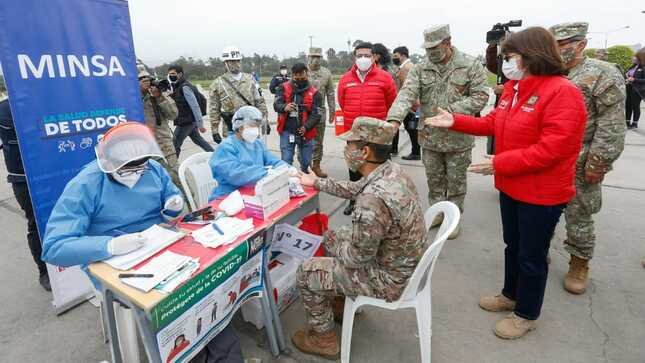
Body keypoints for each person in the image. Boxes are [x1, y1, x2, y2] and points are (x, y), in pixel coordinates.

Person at [426, 27, 587, 339]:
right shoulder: (515, 88)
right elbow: (493, 123)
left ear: (531, 55)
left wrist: (499, 162)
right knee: (513, 247)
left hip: (542, 194)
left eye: (509, 57)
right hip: (512, 186)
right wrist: (456, 121)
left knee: (532, 255)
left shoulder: (561, 92)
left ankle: (526, 313)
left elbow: (552, 149)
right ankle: (510, 295)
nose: (505, 63)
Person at [291, 117, 426, 359]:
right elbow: (356, 188)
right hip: (402, 262)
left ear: (364, 151)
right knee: (333, 236)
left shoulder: (372, 202)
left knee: (307, 270)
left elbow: (357, 258)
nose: (345, 150)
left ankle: (323, 339)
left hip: (390, 279)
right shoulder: (390, 171)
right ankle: (340, 303)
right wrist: (317, 182)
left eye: (349, 146)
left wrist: (334, 243)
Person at [386, 24, 489, 239]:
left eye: (435, 47)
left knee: (456, 182)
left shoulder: (470, 65)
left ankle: (454, 219)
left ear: (448, 43)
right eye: (427, 48)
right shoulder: (421, 68)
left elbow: (480, 97)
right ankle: (438, 213)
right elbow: (406, 94)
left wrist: (451, 112)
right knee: (434, 181)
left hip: (458, 138)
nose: (430, 52)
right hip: (430, 138)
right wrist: (394, 119)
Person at [41, 122, 184, 272]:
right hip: (113, 260)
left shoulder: (153, 168)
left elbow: (171, 199)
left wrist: (174, 203)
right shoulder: (85, 184)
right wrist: (109, 246)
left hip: (158, 243)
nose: (134, 176)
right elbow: (54, 247)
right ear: (108, 162)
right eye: (126, 171)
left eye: (140, 169)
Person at [549, 22, 627, 294]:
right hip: (546, 157)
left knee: (579, 213)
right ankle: (539, 250)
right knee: (540, 211)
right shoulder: (547, 72)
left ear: (581, 44)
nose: (557, 50)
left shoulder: (602, 73)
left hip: (580, 158)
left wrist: (598, 161)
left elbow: (612, 124)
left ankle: (579, 262)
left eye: (563, 44)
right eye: (554, 44)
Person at [337, 42, 397, 215]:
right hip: (354, 134)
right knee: (354, 168)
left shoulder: (385, 78)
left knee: (378, 168)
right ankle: (354, 200)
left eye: (367, 55)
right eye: (359, 55)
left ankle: (380, 202)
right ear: (354, 57)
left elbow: (391, 102)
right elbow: (342, 101)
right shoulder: (345, 79)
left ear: (373, 57)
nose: (363, 59)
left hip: (376, 134)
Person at [0, 98, 50, 291]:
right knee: (36, 225)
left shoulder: (46, 100)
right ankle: (44, 271)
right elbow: (32, 130)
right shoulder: (5, 109)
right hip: (24, 180)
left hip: (55, 173)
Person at [209, 106, 287, 200]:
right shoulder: (226, 147)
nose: (256, 130)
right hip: (228, 197)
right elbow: (236, 173)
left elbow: (272, 160)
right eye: (252, 126)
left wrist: (287, 169)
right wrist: (267, 173)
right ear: (239, 126)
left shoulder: (257, 144)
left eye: (257, 126)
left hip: (252, 193)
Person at [209, 46, 268, 144]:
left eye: (238, 61)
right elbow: (214, 109)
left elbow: (259, 101)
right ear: (225, 63)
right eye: (232, 61)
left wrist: (264, 121)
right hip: (230, 129)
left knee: (253, 154)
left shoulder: (251, 79)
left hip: (251, 126)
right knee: (234, 156)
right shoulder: (217, 84)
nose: (235, 64)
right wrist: (214, 130)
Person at [137, 66, 182, 189]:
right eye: (141, 79)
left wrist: (159, 97)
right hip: (142, 147)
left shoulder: (157, 93)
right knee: (153, 182)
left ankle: (190, 202)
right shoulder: (131, 97)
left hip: (163, 144)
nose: (146, 82)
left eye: (147, 78)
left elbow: (173, 114)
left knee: (176, 177)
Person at [274, 62, 322, 172]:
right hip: (287, 131)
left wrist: (306, 127)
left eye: (301, 74)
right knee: (286, 160)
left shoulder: (315, 93)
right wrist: (284, 107)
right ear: (292, 74)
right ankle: (287, 180)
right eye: (296, 74)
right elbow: (276, 105)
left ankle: (305, 177)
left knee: (306, 162)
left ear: (307, 73)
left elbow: (317, 114)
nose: (298, 77)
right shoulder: (283, 88)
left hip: (306, 132)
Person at [168, 65, 214, 156]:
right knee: (200, 141)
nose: (170, 76)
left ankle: (173, 168)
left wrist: (200, 123)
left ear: (180, 74)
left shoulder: (185, 87)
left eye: (173, 73)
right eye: (169, 74)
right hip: (190, 121)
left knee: (175, 144)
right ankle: (217, 156)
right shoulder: (179, 86)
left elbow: (195, 106)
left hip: (186, 122)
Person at [307, 47, 337, 178]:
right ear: (308, 57)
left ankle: (316, 165)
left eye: (318, 57)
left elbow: (330, 93)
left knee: (318, 141)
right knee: (304, 141)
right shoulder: (302, 72)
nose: (316, 59)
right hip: (304, 113)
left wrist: (332, 110)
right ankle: (305, 166)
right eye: (313, 56)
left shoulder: (326, 73)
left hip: (320, 112)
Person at [392, 46, 421, 160]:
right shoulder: (405, 67)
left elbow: (408, 89)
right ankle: (416, 151)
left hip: (410, 106)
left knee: (412, 128)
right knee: (412, 128)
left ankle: (416, 152)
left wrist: (413, 107)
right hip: (411, 105)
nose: (394, 58)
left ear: (403, 55)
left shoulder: (406, 68)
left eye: (396, 56)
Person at [372, 43, 400, 155]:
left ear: (377, 56)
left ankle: (391, 150)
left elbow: (393, 91)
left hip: (386, 107)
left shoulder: (387, 72)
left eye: (371, 55)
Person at [626, 50, 645, 129]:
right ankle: (627, 122)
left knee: (635, 106)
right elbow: (627, 75)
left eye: (635, 57)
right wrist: (626, 78)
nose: (633, 58)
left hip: (637, 90)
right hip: (629, 88)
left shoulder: (643, 67)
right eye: (633, 57)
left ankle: (634, 123)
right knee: (628, 106)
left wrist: (634, 79)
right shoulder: (632, 66)